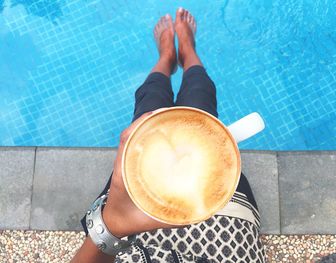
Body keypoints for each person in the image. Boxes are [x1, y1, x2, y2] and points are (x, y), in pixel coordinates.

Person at [71, 8, 265, 263]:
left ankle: (166, 58)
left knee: (148, 106)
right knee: (200, 102)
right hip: (225, 224)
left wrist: (112, 228)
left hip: (134, 214)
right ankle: (187, 51)